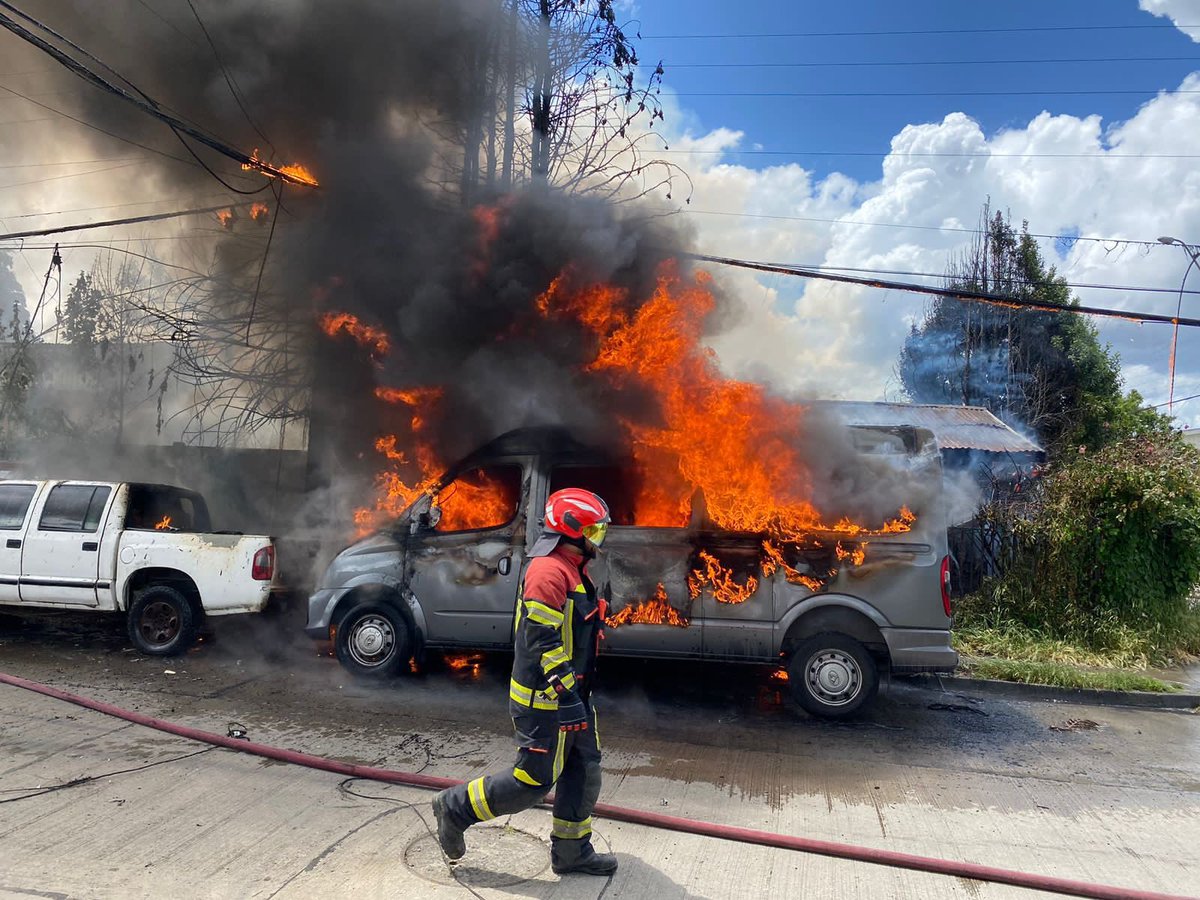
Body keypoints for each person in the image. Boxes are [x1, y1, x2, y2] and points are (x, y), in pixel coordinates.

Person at [432, 487, 617, 876]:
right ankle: (455, 807)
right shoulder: (549, 572)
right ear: (570, 531)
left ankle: (572, 852)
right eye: (594, 531)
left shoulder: (573, 568)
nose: (599, 539)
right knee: (532, 782)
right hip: (546, 699)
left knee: (584, 769)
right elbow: (542, 641)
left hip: (573, 694)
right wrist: (566, 696)